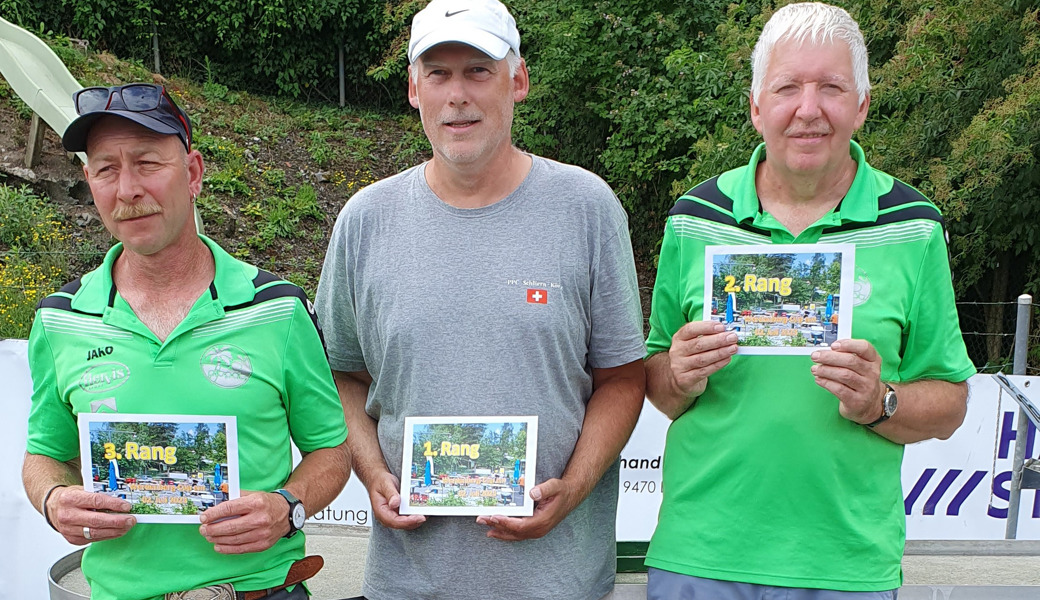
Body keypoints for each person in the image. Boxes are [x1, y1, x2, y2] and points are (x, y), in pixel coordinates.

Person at [314, 0, 646, 598]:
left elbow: (622, 378)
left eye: (478, 71)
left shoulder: (588, 208)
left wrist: (571, 488)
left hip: (558, 581)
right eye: (438, 74)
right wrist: (374, 474)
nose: (457, 95)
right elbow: (342, 378)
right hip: (408, 581)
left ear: (517, 80)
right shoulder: (365, 220)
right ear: (414, 88)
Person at [643, 3, 975, 599]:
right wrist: (678, 374)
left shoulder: (913, 226)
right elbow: (657, 382)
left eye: (831, 88)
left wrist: (881, 401)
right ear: (755, 105)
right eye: (788, 87)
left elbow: (951, 402)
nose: (808, 109)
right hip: (701, 557)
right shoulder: (694, 220)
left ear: (861, 105)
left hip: (846, 566)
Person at [22, 83, 351, 600]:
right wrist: (53, 499)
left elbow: (331, 450)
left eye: (148, 163)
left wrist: (288, 507)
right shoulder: (60, 319)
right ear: (90, 181)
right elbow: (43, 454)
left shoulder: (277, 308)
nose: (127, 189)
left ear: (193, 173)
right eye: (106, 168)